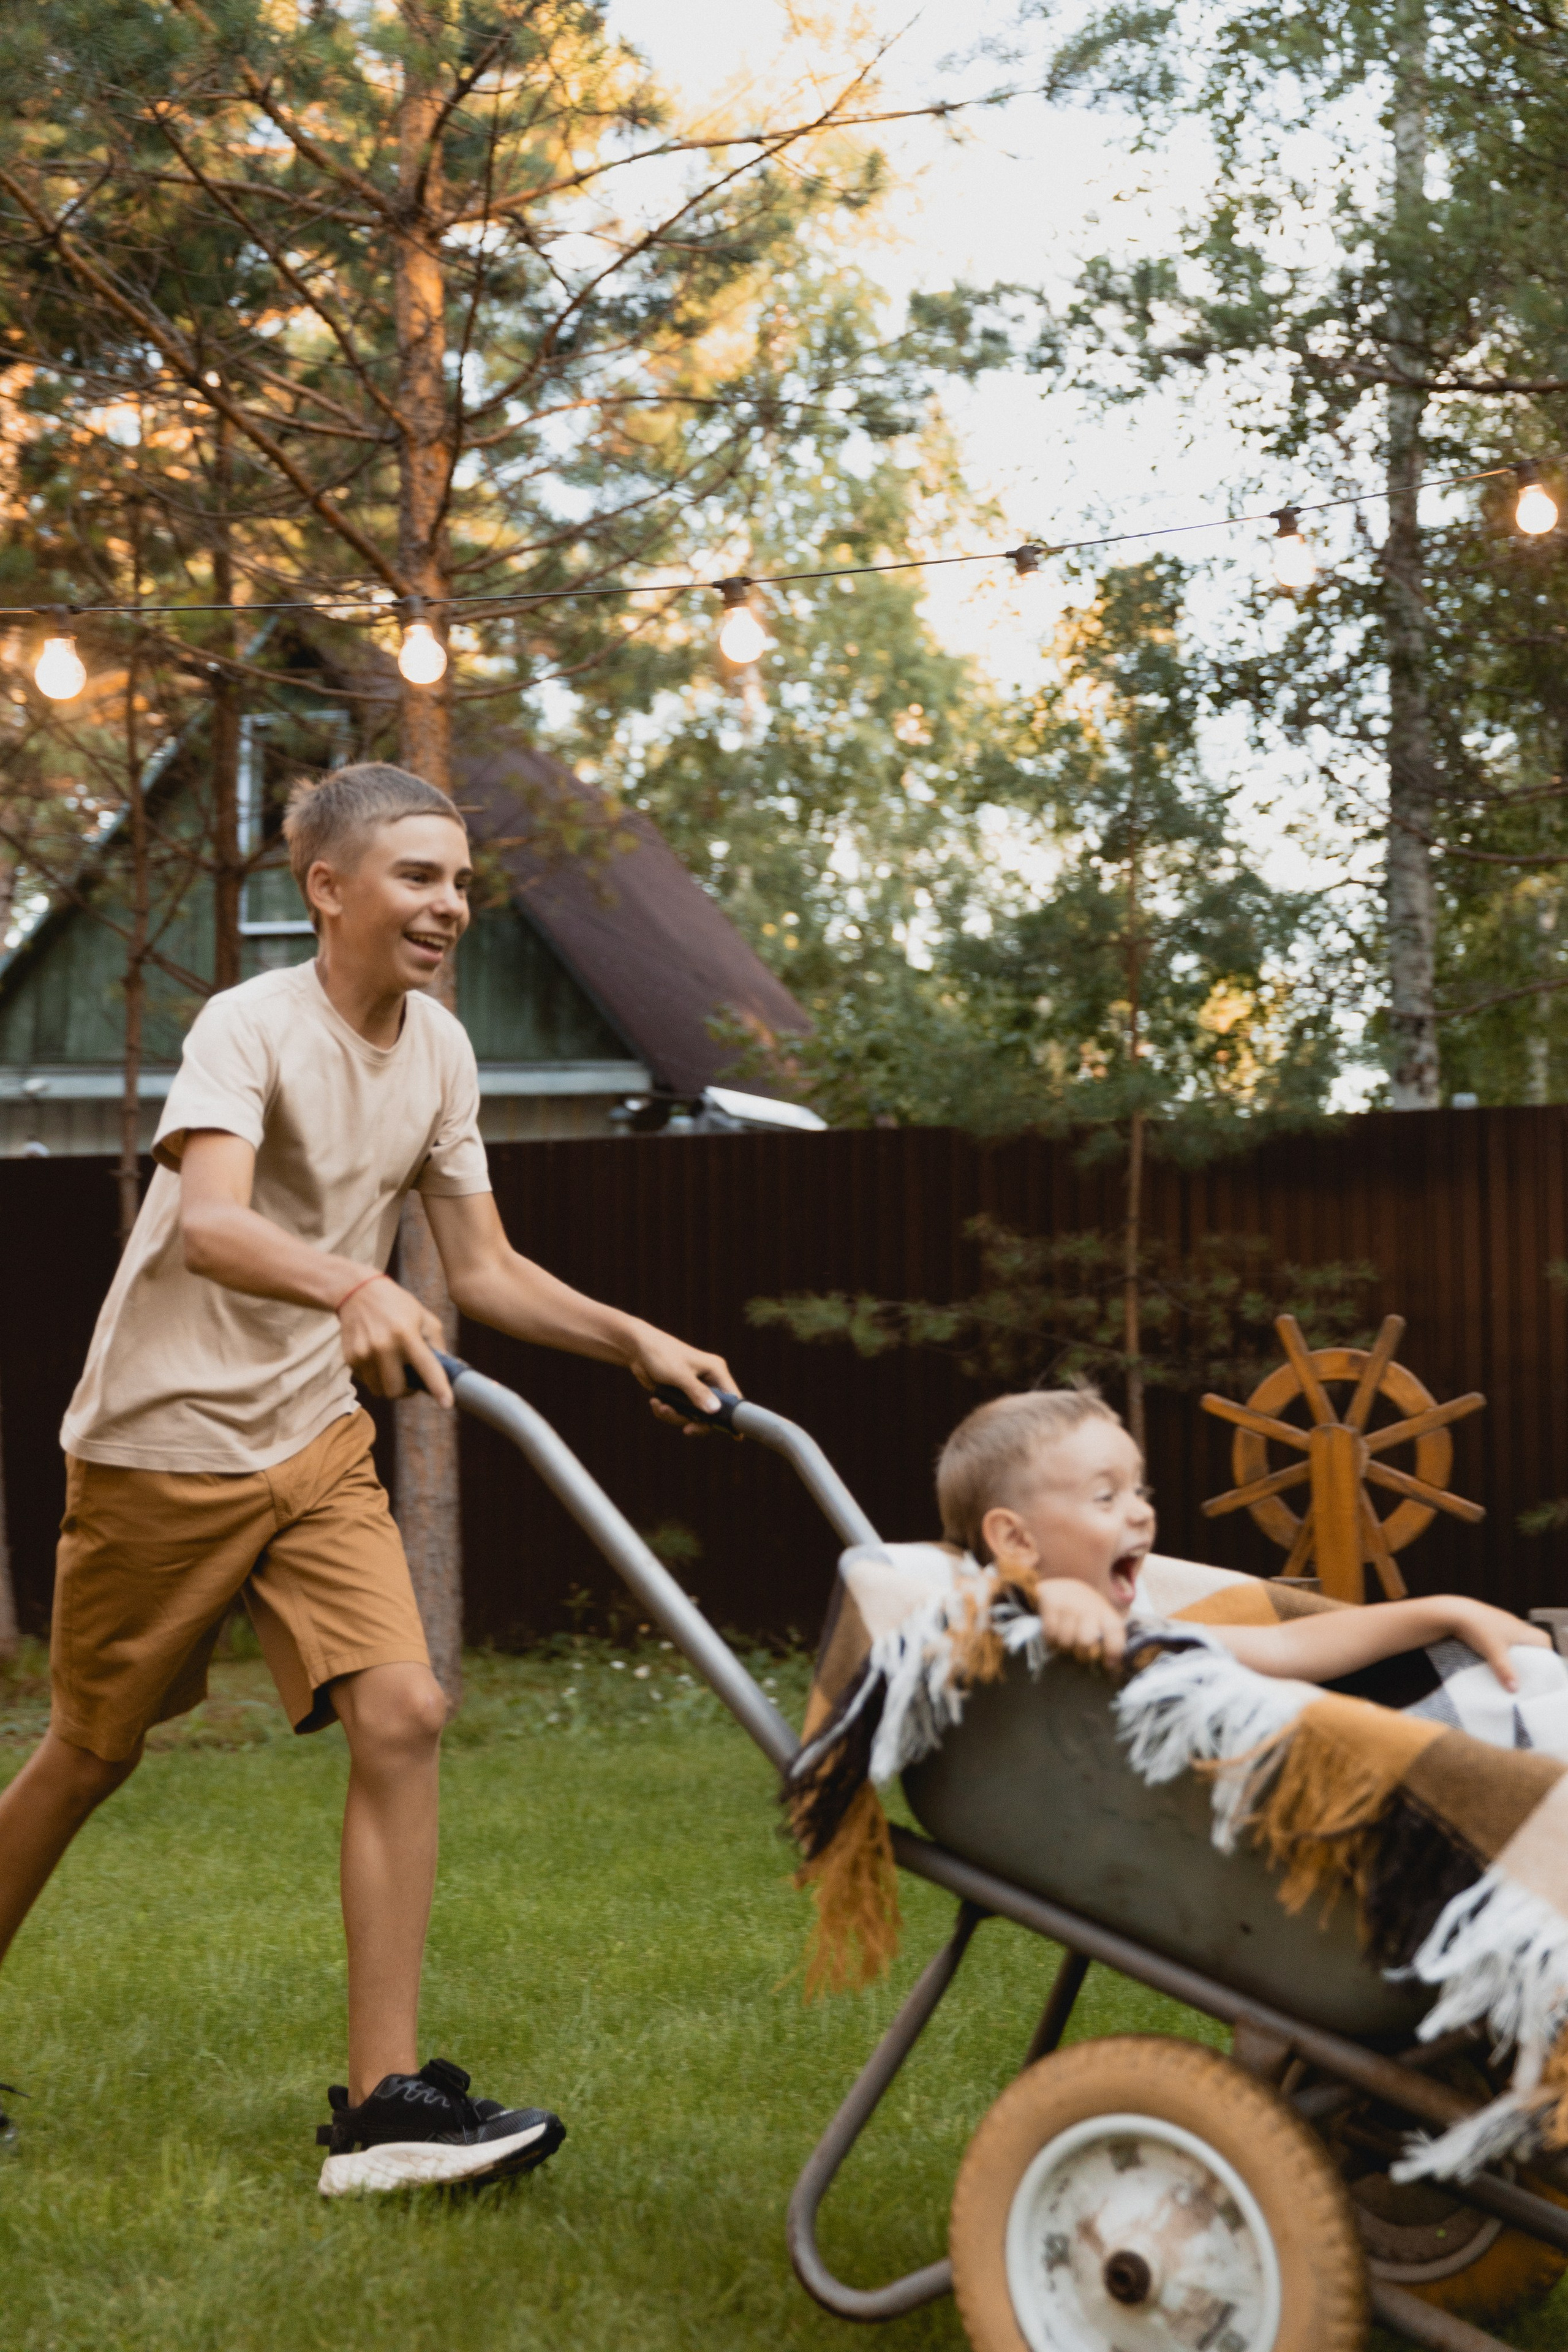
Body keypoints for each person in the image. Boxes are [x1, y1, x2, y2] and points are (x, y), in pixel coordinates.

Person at [0, 761, 738, 2192]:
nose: (448, 905)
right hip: (163, 1445)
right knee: (90, 1753)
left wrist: (629, 1337)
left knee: (401, 1708)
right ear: (327, 888)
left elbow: (481, 1269)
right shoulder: (247, 1028)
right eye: (416, 876)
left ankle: (384, 2107)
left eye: (459, 881)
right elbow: (210, 1224)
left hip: (312, 1439)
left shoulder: (442, 1053)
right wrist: (347, 1280)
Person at [935, 1386, 1550, 1691]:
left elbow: (1285, 1648)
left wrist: (1441, 1611)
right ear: (1014, 1542)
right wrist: (1044, 1600)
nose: (1142, 1514)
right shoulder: (1015, 1612)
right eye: (1106, 1497)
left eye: (1139, 1492)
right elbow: (995, 1611)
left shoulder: (1136, 1617)